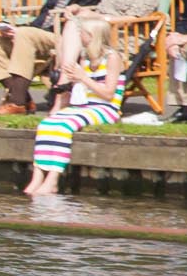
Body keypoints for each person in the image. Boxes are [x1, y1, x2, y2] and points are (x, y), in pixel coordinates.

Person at [24, 35, 126, 197]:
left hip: (106, 108)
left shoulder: (112, 58)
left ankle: (53, 180)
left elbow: (108, 94)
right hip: (84, 106)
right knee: (46, 124)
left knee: (65, 126)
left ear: (94, 36)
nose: (80, 38)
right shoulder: (86, 57)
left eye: (84, 34)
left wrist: (83, 78)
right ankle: (37, 177)